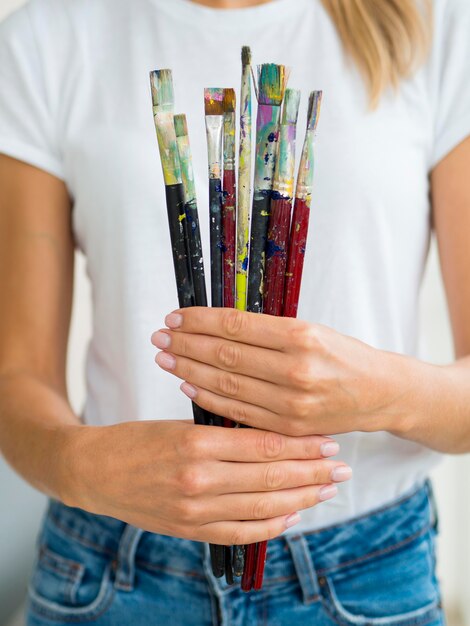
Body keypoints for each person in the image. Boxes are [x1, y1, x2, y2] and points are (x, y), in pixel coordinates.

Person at [0, 0, 469, 623]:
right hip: (110, 567)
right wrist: (81, 464)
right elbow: (16, 375)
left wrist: (376, 390)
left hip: (366, 573)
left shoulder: (439, 24)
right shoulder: (48, 35)